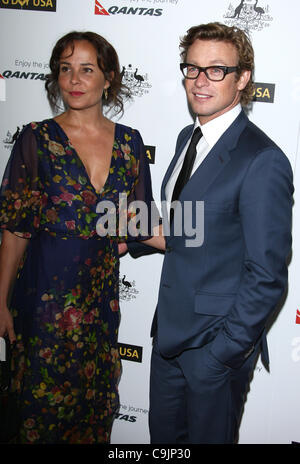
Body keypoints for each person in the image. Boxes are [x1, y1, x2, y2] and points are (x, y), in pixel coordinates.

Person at [127, 22, 293, 443]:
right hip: (167, 336)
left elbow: (267, 274)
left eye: (216, 70)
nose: (200, 81)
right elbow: (194, 231)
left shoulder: (262, 159)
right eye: (192, 68)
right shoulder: (188, 137)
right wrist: (126, 226)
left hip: (214, 349)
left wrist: (223, 353)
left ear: (243, 79)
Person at [0, 31, 163, 444]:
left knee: (92, 419)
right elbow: (16, 230)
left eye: (87, 69)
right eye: (66, 69)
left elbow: (141, 223)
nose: (74, 79)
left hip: (98, 312)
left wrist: (212, 233)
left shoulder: (130, 143)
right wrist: (0, 301)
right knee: (37, 418)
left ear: (107, 77)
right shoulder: (35, 139)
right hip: (41, 310)